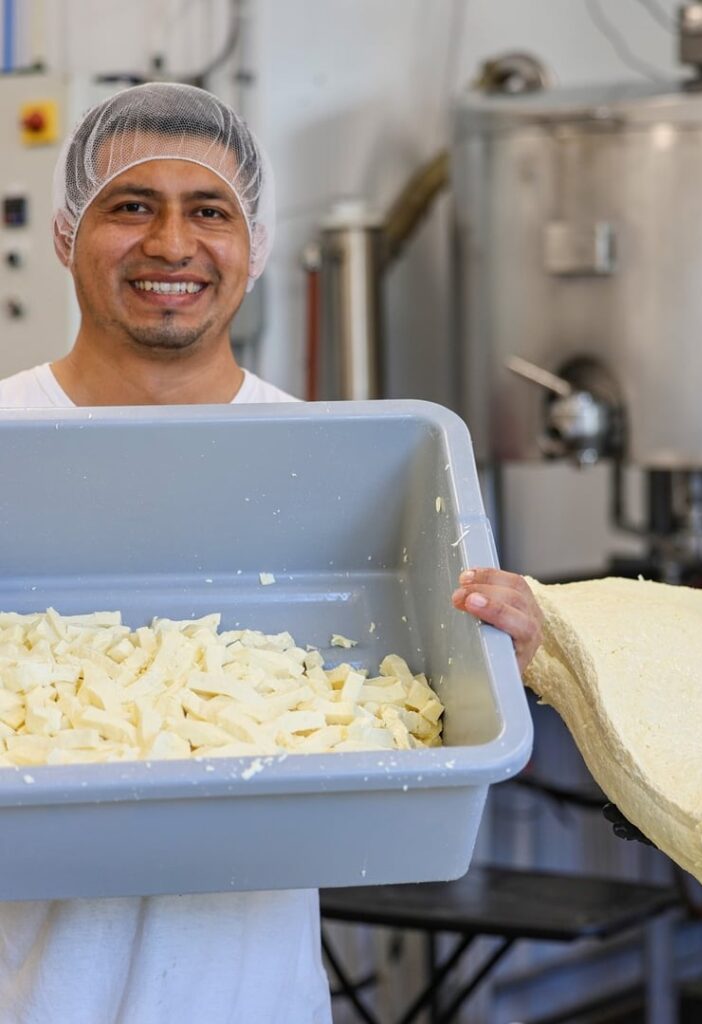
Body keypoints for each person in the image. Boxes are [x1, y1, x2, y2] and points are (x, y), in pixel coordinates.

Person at [0, 80, 542, 1024]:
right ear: (63, 234)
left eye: (210, 211)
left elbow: (427, 729)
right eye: (131, 207)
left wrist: (496, 653)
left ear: (254, 245)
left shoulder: (333, 463)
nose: (172, 244)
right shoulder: (9, 436)